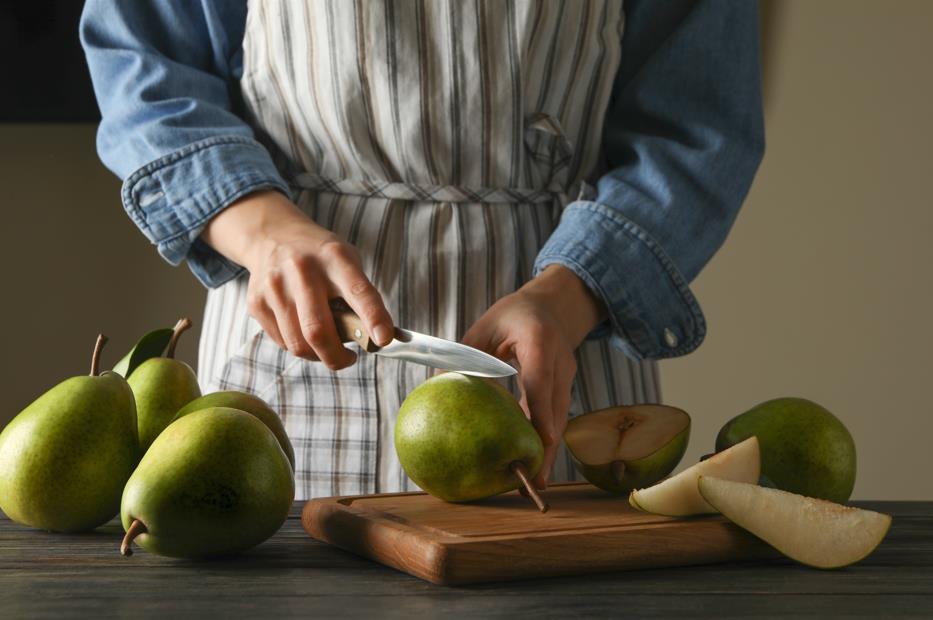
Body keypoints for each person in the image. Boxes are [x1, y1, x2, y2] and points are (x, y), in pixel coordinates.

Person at [81, 0, 763, 500]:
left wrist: (569, 296)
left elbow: (696, 129)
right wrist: (258, 227)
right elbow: (143, 57)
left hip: (561, 337)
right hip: (290, 316)